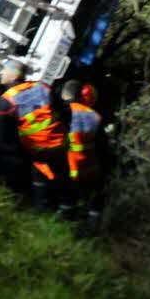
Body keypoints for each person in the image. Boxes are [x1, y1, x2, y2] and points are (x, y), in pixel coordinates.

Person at [0, 61, 69, 208]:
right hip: (62, 142)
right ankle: (62, 207)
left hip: (39, 150)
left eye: (4, 70)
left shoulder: (6, 100)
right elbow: (59, 109)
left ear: (14, 75)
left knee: (1, 147)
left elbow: (2, 134)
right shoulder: (41, 86)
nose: (1, 73)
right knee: (60, 180)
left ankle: (11, 194)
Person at [60, 80, 103, 225]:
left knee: (68, 198)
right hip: (90, 167)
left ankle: (66, 222)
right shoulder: (95, 116)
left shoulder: (65, 110)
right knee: (91, 198)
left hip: (71, 166)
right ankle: (92, 225)